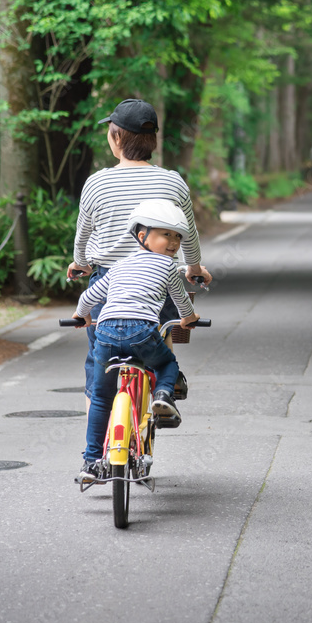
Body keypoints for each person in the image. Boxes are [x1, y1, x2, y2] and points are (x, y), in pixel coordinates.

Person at [67, 98, 212, 409]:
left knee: (98, 359)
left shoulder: (96, 183)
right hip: (159, 278)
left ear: (117, 137)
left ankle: (100, 418)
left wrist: (80, 263)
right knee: (162, 336)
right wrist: (193, 267)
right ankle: (164, 390)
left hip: (109, 282)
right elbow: (187, 232)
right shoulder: (172, 181)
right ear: (152, 140)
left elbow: (83, 236)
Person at [72, 200, 199, 484]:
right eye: (165, 234)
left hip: (105, 334)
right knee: (167, 363)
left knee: (101, 397)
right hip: (142, 332)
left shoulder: (118, 266)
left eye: (177, 237)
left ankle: (91, 463)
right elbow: (180, 302)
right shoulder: (168, 266)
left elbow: (89, 297)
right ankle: (163, 396)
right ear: (142, 235)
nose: (173, 242)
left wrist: (82, 316)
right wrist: (189, 318)